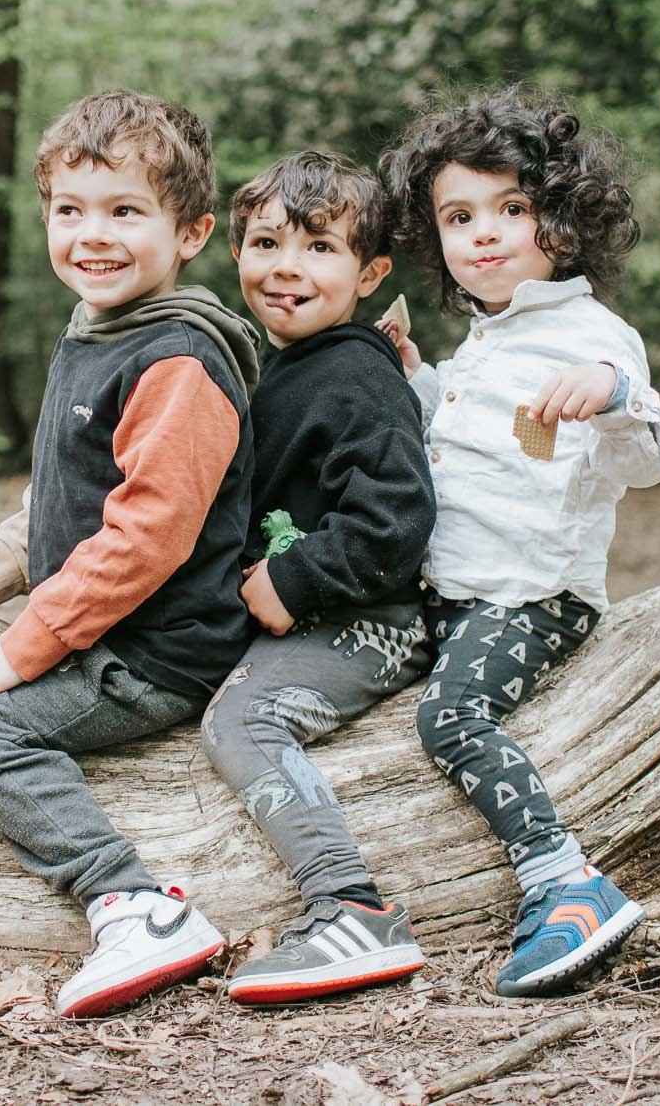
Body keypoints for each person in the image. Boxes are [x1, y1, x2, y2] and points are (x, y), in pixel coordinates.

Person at [0, 89, 259, 1018]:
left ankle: (132, 904)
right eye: (70, 210)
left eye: (126, 211)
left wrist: (29, 639)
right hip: (103, 625)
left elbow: (147, 532)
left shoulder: (177, 358)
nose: (93, 235)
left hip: (160, 649)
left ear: (191, 231)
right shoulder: (101, 329)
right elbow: (66, 491)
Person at [377, 87, 660, 997]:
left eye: (513, 208)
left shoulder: (592, 335)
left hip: (531, 593)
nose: (485, 234)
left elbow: (655, 452)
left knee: (450, 718)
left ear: (567, 218)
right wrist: (422, 383)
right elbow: (466, 447)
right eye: (459, 216)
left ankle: (564, 881)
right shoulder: (484, 340)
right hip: (455, 583)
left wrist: (613, 391)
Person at [199, 151, 437, 1004]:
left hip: (371, 617)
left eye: (320, 248)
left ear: (369, 272)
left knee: (243, 720)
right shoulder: (271, 368)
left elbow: (397, 518)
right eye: (265, 242)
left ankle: (350, 907)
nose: (286, 267)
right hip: (313, 610)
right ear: (236, 254)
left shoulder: (359, 374)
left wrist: (293, 579)